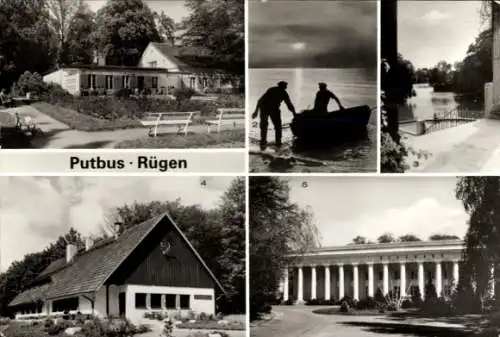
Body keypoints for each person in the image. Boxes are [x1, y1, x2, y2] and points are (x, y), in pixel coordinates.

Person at [252, 81, 296, 151]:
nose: (286, 87)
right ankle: (276, 142)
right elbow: (289, 104)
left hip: (268, 108)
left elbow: (289, 104)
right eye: (285, 86)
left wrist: (256, 111)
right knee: (276, 126)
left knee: (267, 125)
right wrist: (294, 113)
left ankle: (267, 142)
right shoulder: (280, 92)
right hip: (267, 108)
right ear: (282, 86)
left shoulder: (275, 90)